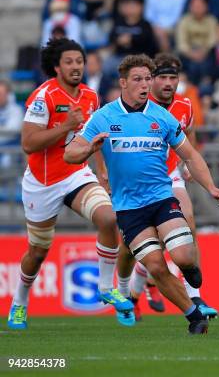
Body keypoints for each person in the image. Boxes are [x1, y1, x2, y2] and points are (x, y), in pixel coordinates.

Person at [64, 54, 219, 334]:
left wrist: (211, 186)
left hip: (162, 199)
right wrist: (90, 148)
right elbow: (70, 153)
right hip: (129, 209)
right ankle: (193, 316)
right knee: (155, 264)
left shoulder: (161, 117)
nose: (144, 84)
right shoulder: (103, 117)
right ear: (123, 82)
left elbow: (190, 155)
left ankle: (188, 269)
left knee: (185, 256)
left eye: (147, 79)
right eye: (138, 79)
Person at [7, 38, 134, 330]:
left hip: (76, 174)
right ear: (56, 66)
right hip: (42, 182)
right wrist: (65, 125)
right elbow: (28, 143)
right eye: (70, 62)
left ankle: (105, 287)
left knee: (108, 218)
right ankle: (20, 302)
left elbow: (95, 139)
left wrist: (102, 171)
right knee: (38, 252)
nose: (77, 66)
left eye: (79, 61)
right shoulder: (44, 98)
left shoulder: (91, 96)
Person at [115, 53, 218, 321]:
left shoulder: (185, 105)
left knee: (188, 223)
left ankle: (193, 295)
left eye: (173, 77)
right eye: (162, 77)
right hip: (137, 181)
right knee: (132, 248)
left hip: (169, 173)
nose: (168, 83)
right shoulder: (139, 105)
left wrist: (188, 162)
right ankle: (135, 293)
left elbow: (189, 135)